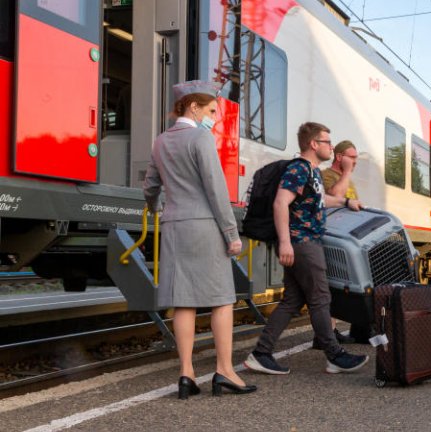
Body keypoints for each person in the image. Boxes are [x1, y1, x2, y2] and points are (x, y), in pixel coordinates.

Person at [143, 80, 256, 399]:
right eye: (210, 110)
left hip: (175, 227)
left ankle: (186, 374)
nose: (214, 117)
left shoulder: (161, 141)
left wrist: (158, 208)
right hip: (206, 227)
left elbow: (151, 186)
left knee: (184, 300)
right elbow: (215, 189)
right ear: (192, 107)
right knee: (221, 298)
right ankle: (224, 371)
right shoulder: (201, 137)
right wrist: (231, 233)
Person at [244, 122, 369, 375]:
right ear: (314, 144)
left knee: (292, 300)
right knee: (321, 298)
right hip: (302, 242)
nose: (331, 147)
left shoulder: (311, 172)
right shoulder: (299, 168)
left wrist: (346, 201)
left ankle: (261, 353)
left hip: (304, 241)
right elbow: (281, 203)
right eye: (327, 142)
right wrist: (286, 242)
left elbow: (321, 199)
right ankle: (334, 355)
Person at [318, 140, 360, 346]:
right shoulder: (327, 175)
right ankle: (326, 333)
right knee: (329, 287)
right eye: (352, 157)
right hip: (331, 237)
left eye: (356, 157)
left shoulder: (348, 179)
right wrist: (346, 172)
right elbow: (334, 196)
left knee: (337, 287)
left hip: (345, 239)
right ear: (339, 157)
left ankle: (331, 331)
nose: (355, 161)